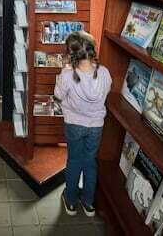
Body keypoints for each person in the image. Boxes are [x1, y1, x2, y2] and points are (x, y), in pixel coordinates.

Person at [54, 31, 112, 217]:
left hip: (74, 125)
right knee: (89, 162)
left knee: (74, 161)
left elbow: (58, 95)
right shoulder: (103, 73)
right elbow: (107, 90)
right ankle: (88, 203)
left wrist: (64, 71)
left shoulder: (67, 75)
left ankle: (70, 201)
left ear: (71, 54)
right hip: (96, 126)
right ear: (92, 51)